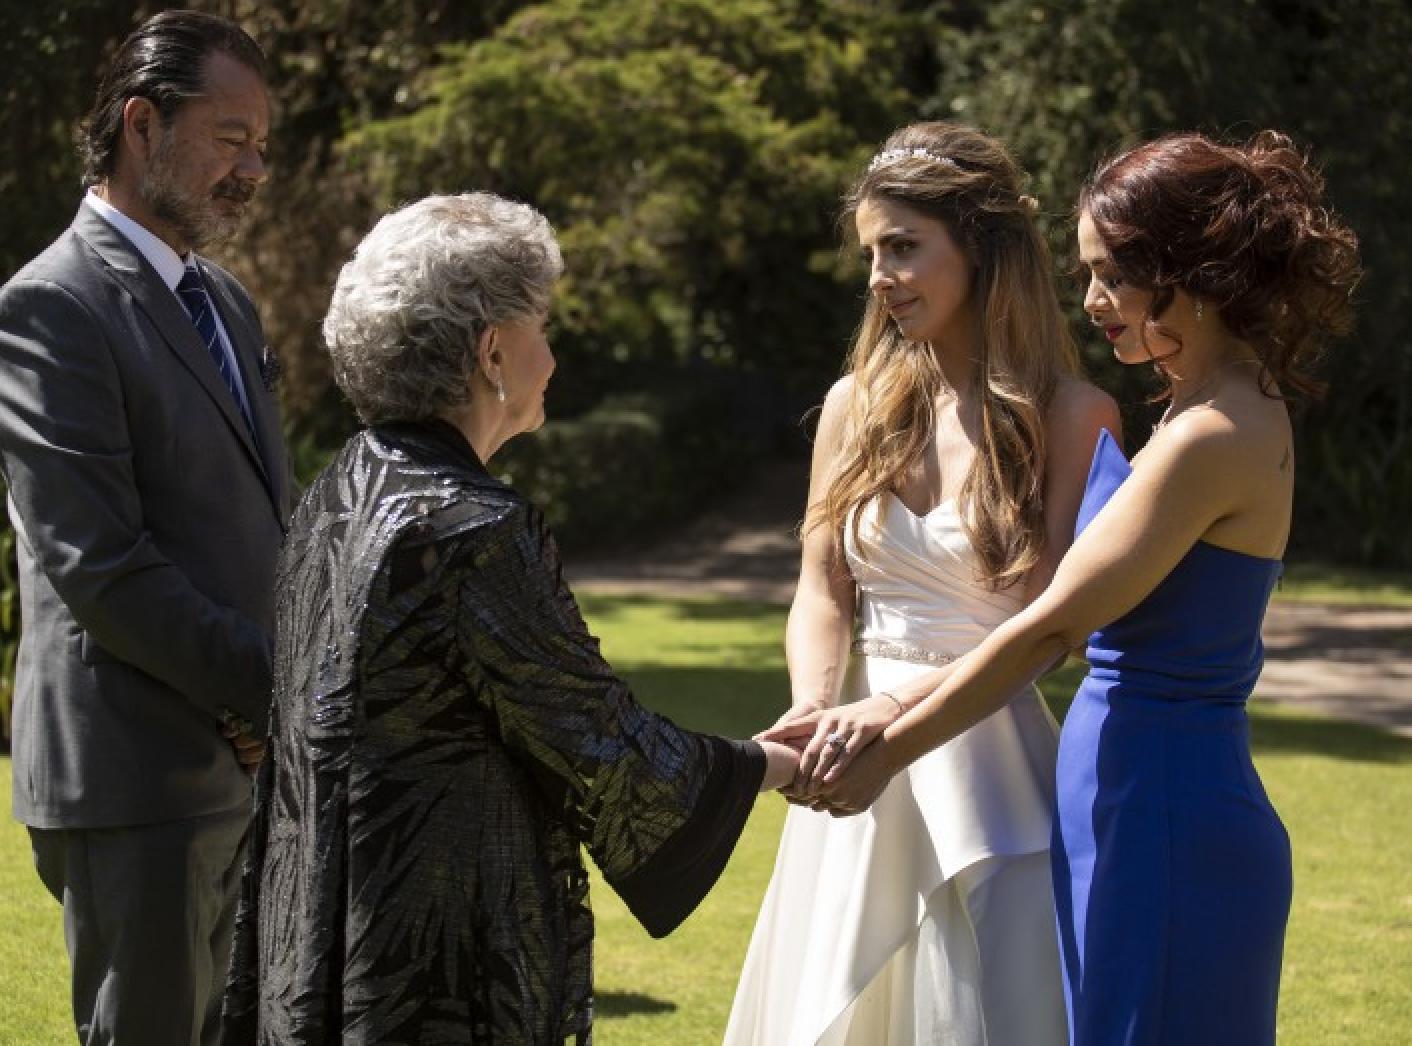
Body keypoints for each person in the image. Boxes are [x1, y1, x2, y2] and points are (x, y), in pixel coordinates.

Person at [773, 131, 1361, 1044]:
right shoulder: (1199, 408)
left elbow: (1052, 628)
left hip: (1160, 794)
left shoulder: (1209, 433)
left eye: (1110, 275)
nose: (1090, 302)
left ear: (1188, 268)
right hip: (1125, 785)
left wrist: (890, 743)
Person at [220, 192, 799, 1043]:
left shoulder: (340, 488)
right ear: (492, 351)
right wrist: (776, 764)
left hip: (312, 927)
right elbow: (600, 742)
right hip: (431, 948)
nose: (554, 355)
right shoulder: (475, 528)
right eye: (542, 325)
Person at [725, 122, 1119, 1045]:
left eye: (902, 247)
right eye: (871, 253)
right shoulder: (852, 407)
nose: (878, 277)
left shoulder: (1077, 418)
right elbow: (823, 590)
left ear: (979, 247)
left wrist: (893, 721)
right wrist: (815, 710)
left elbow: (1051, 630)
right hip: (848, 772)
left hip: (993, 771)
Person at [0, 12, 290, 1045]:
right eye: (229, 138)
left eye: (262, 144)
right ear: (141, 125)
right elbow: (103, 566)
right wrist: (271, 689)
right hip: (137, 777)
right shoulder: (50, 306)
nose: (253, 167)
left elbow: (260, 523)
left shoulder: (223, 300)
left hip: (246, 774)